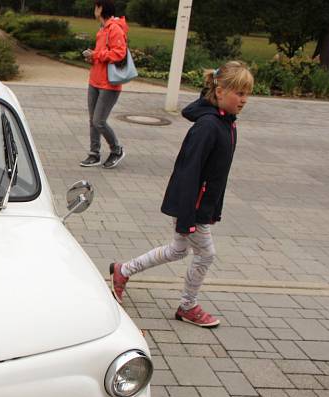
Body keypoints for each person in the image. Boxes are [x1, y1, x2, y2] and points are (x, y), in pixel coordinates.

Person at [109, 61, 254, 328]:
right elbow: (189, 173)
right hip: (191, 206)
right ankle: (188, 306)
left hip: (200, 205)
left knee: (178, 250)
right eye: (239, 93)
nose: (244, 99)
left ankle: (123, 270)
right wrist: (188, 215)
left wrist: (212, 208)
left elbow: (214, 174)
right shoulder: (208, 126)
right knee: (206, 254)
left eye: (247, 93)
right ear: (220, 92)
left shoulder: (226, 122)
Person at [80, 0, 128, 169]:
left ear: (101, 9)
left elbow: (119, 53)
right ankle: (94, 154)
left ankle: (117, 150)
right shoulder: (102, 29)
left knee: (99, 121)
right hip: (95, 80)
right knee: (93, 120)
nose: (94, 9)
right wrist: (92, 56)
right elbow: (103, 54)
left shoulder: (114, 29)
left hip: (109, 84)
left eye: (96, 6)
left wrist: (97, 55)